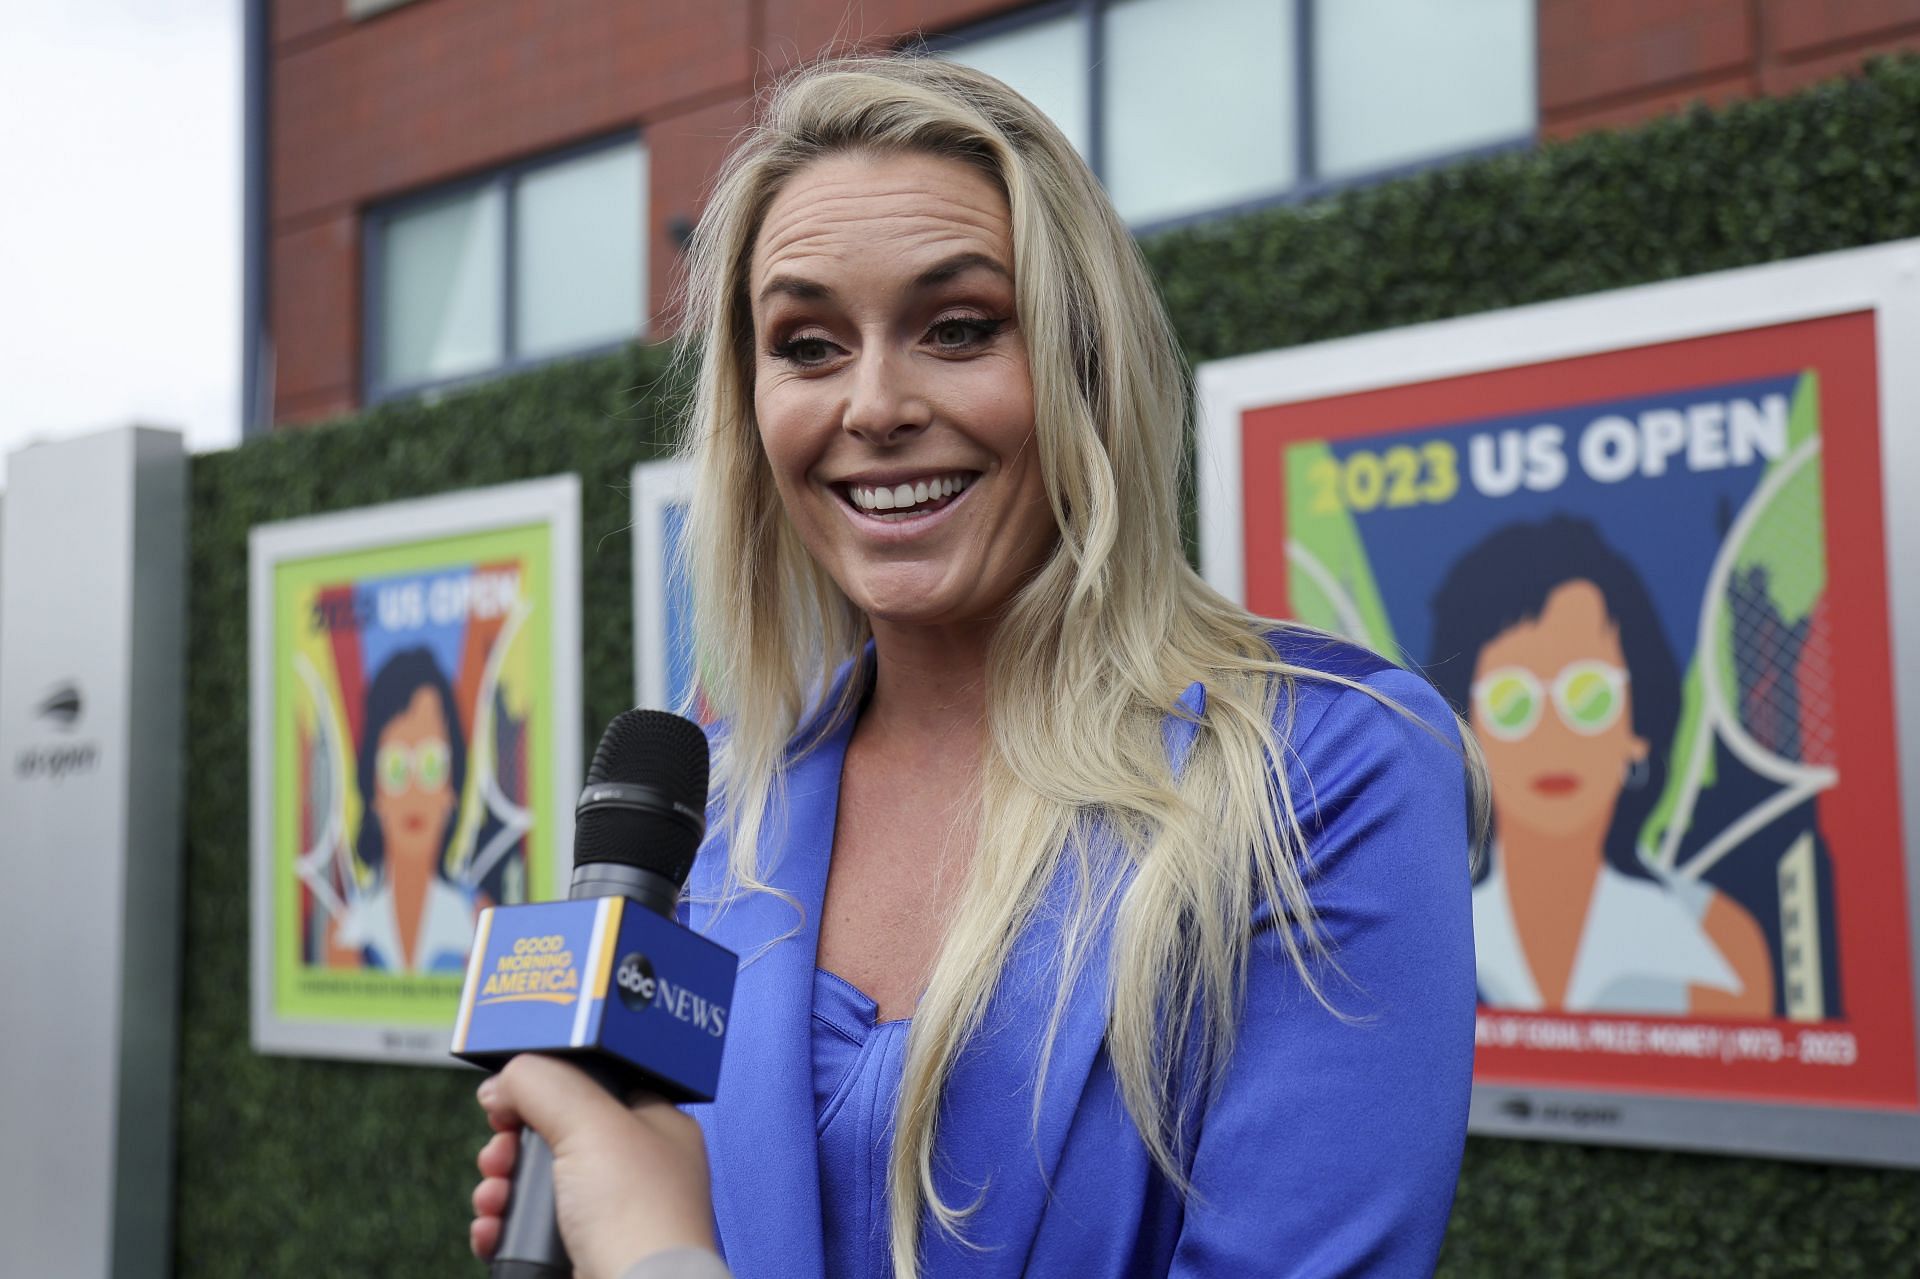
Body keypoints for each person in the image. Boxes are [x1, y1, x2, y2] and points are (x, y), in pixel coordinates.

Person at [472, 55, 1478, 1279]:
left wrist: (655, 1252)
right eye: (807, 344)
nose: (876, 403)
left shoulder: (1324, 767)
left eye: (958, 329)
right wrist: (606, 1188)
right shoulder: (723, 809)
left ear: (1085, 368)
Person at [1428, 515, 1772, 1016]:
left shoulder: (1718, 944)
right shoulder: (1423, 936)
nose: (1551, 733)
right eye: (1512, 701)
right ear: (1466, 729)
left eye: (1587, 696)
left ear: (1638, 728)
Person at [329, 645, 479, 973]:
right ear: (374, 790)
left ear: (452, 787)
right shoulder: (343, 938)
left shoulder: (483, 926)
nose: (413, 789)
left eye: (430, 764)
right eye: (396, 766)